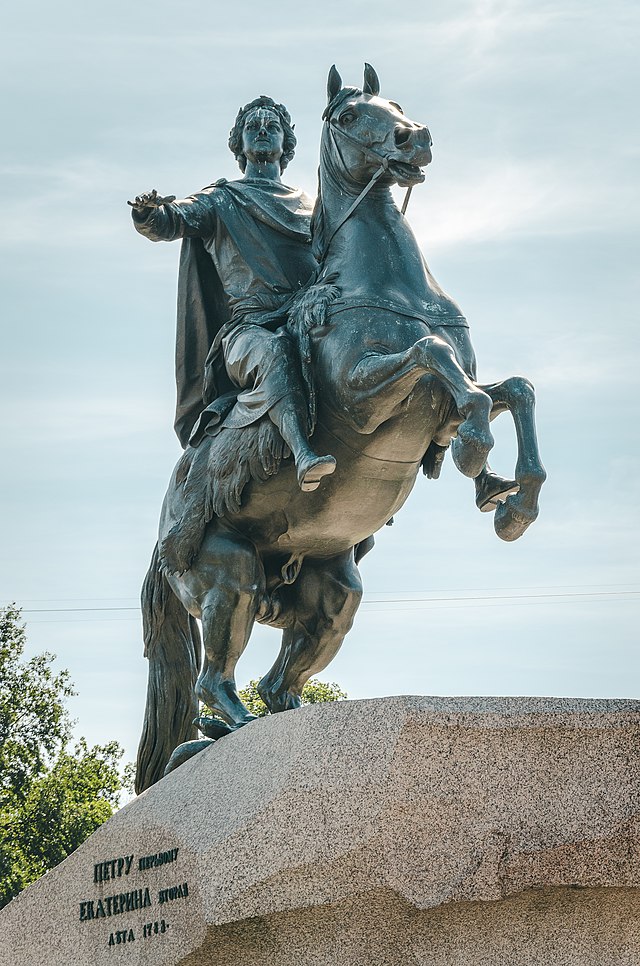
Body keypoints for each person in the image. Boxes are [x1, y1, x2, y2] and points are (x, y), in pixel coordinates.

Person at [130, 96, 336, 492]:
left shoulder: (314, 209)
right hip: (249, 332)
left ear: (286, 144)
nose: (262, 129)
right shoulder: (222, 199)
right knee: (273, 353)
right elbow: (174, 220)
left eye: (271, 126)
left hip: (305, 321)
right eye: (252, 126)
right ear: (239, 145)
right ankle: (303, 454)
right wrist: (150, 214)